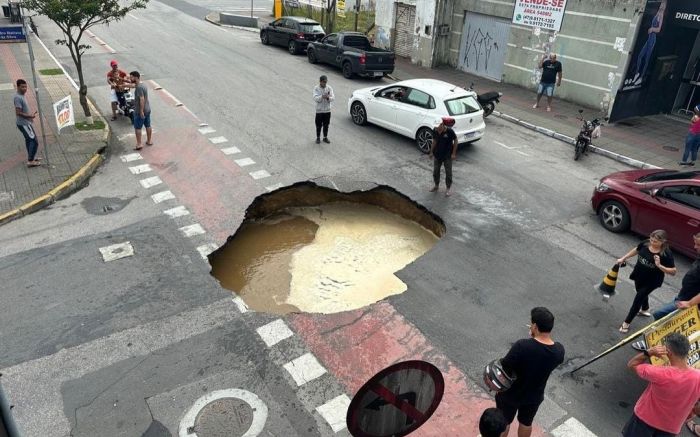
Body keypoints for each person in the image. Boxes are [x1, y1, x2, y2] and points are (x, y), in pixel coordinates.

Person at [495, 307, 565, 437]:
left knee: (504, 421)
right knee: (526, 423)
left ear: (534, 326)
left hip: (511, 393)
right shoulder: (558, 351)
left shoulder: (522, 346)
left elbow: (505, 365)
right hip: (534, 396)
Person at [623, 333, 700, 437]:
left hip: (643, 420)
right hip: (671, 428)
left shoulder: (659, 373)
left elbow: (632, 364)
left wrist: (648, 352)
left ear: (668, 351)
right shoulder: (697, 377)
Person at [632, 233, 700, 351]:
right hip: (684, 297)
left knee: (661, 315)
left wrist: (690, 303)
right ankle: (661, 345)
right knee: (673, 323)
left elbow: (673, 271)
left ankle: (653, 344)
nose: (695, 247)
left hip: (690, 303)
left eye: (698, 245)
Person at [616, 230, 676, 334]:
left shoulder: (666, 253)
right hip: (638, 275)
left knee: (638, 298)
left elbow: (673, 271)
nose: (652, 242)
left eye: (656, 241)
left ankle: (626, 323)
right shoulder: (645, 243)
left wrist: (659, 265)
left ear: (663, 242)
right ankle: (645, 309)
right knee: (640, 292)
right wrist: (624, 258)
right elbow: (637, 249)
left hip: (652, 281)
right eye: (651, 239)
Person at [625, 0, 666, 88]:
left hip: (652, 37)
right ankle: (637, 73)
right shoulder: (656, 12)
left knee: (647, 58)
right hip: (649, 36)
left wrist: (652, 29)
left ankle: (641, 76)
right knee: (640, 56)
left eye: (663, 4)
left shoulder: (661, 15)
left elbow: (658, 29)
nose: (661, 6)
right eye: (661, 4)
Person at [429, 116, 458, 197]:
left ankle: (448, 189)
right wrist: (431, 152)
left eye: (438, 126)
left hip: (447, 156)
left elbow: (455, 140)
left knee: (448, 173)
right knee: (435, 171)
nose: (436, 128)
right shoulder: (435, 130)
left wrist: (454, 153)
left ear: (442, 124)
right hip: (437, 154)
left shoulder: (449, 131)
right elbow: (434, 141)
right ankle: (436, 186)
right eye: (435, 127)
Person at [14, 79, 40, 167]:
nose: (25, 89)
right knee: (34, 141)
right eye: (22, 87)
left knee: (29, 140)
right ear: (17, 87)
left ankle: (31, 156)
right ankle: (30, 160)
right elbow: (18, 112)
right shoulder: (17, 97)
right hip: (24, 123)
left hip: (25, 122)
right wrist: (30, 116)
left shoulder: (22, 95)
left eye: (26, 87)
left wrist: (30, 115)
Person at [129, 71, 152, 151]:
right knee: (148, 125)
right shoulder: (143, 85)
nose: (130, 78)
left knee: (138, 128)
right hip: (147, 109)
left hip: (140, 111)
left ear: (135, 77)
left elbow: (141, 99)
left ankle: (139, 144)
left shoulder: (139, 87)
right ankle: (149, 141)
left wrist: (141, 111)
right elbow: (133, 85)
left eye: (131, 77)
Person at [313, 75, 334, 144]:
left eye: (326, 82)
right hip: (319, 111)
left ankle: (325, 137)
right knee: (318, 125)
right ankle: (318, 138)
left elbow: (333, 98)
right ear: (320, 81)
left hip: (327, 111)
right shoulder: (316, 88)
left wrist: (328, 98)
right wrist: (322, 97)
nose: (325, 83)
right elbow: (315, 98)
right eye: (323, 82)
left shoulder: (329, 88)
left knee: (326, 125)